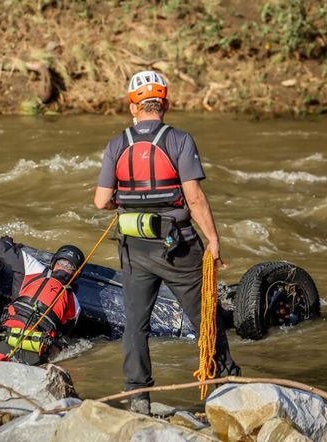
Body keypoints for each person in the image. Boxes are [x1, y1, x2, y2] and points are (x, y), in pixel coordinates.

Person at [93, 70, 240, 414]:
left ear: (133, 107)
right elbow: (196, 199)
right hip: (179, 248)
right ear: (166, 104)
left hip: (133, 248)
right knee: (206, 315)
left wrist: (123, 200)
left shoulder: (117, 144)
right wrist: (214, 240)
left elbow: (101, 201)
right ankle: (224, 383)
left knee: (136, 323)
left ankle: (138, 396)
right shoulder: (180, 140)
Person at [0, 237, 84, 365]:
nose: (64, 267)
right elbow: (64, 335)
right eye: (62, 263)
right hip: (34, 351)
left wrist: (7, 241)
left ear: (52, 263)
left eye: (69, 266)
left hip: (4, 340)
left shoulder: (32, 267)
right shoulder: (74, 303)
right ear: (77, 274)